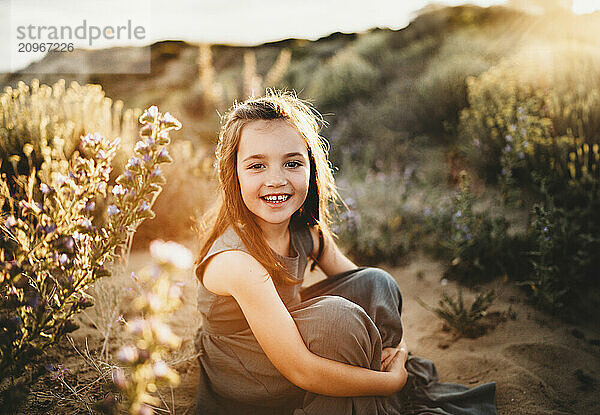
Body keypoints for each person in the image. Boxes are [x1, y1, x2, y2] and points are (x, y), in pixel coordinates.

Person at [193, 90, 497, 414]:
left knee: (376, 284)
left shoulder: (305, 232)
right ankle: (375, 391)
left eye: (292, 163)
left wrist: (401, 352)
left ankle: (366, 383)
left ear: (311, 166)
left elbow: (369, 294)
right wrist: (393, 381)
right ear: (233, 173)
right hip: (252, 382)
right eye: (257, 166)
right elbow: (300, 369)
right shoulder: (237, 263)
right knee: (337, 319)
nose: (277, 179)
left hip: (294, 350)